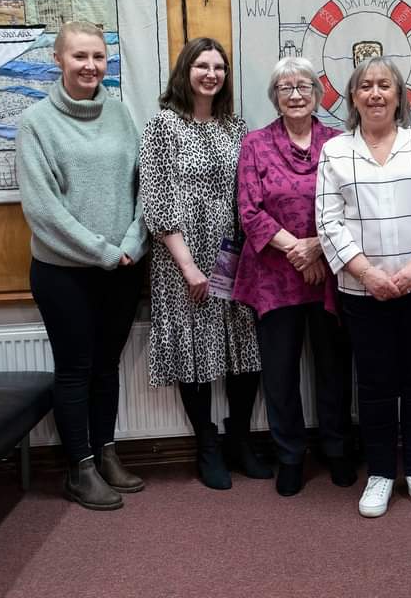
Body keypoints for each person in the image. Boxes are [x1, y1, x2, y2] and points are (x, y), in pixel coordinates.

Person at [316, 56, 411, 519]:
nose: (375, 93)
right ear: (353, 97)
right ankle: (379, 473)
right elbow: (328, 220)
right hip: (363, 291)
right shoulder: (335, 150)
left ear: (400, 95)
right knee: (374, 385)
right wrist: (366, 273)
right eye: (366, 86)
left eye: (384, 86)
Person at [18, 20, 148, 510]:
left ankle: (106, 452)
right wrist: (101, 251)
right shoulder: (36, 123)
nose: (90, 66)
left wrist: (134, 241)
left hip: (124, 264)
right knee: (75, 369)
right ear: (59, 60)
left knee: (106, 366)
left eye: (98, 56)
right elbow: (43, 211)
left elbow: (144, 186)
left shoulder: (120, 115)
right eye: (80, 57)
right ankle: (81, 467)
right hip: (65, 273)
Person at [139, 37, 270, 491]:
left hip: (235, 254)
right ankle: (207, 445)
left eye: (219, 66)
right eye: (202, 65)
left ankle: (238, 439)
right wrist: (190, 267)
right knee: (193, 349)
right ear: (185, 71)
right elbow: (155, 204)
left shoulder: (236, 128)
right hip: (181, 257)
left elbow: (250, 194)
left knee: (244, 348)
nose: (211, 73)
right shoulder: (161, 127)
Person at [235, 56, 351, 497]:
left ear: (318, 95)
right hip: (274, 275)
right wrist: (299, 250)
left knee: (333, 369)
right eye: (286, 88)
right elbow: (249, 211)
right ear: (275, 97)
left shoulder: (339, 143)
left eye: (304, 86)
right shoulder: (255, 145)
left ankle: (337, 448)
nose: (296, 94)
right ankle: (289, 455)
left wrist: (318, 247)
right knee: (280, 373)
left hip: (331, 271)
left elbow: (352, 205)